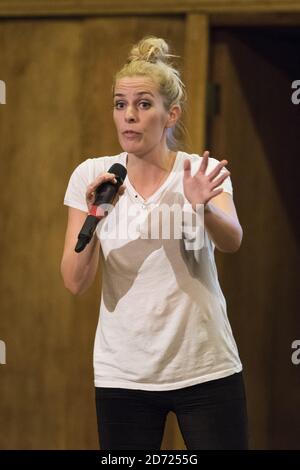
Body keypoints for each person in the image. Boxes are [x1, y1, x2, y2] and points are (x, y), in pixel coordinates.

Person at [61, 36, 248, 450]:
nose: (129, 116)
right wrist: (95, 214)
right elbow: (75, 282)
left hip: (204, 365)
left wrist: (205, 208)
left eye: (144, 104)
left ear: (170, 114)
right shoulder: (93, 176)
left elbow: (232, 240)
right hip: (123, 373)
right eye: (120, 104)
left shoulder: (200, 172)